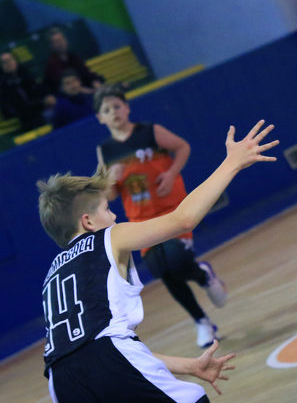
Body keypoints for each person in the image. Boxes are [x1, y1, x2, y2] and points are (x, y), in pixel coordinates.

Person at [36, 120, 284, 403]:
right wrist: (232, 163)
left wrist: (187, 366)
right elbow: (183, 220)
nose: (115, 214)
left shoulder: (52, 275)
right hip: (109, 364)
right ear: (88, 222)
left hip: (64, 386)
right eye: (107, 209)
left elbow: (94, 348)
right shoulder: (110, 237)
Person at [94, 84, 227, 348]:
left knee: (177, 262)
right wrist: (110, 179)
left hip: (172, 209)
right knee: (162, 271)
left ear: (127, 107)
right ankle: (201, 321)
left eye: (117, 106)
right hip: (140, 219)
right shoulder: (105, 150)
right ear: (100, 118)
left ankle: (202, 275)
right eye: (107, 110)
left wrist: (171, 173)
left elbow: (182, 147)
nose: (114, 112)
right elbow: (110, 195)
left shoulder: (149, 131)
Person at [0, 50, 55, 132]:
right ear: (1, 66)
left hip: (41, 110)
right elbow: (16, 107)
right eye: (5, 62)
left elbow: (38, 88)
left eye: (10, 60)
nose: (9, 63)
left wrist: (47, 96)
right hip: (28, 119)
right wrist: (42, 103)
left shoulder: (24, 74)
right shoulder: (2, 86)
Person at [43, 26, 104, 94]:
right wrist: (87, 91)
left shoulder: (73, 56)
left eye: (61, 39)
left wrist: (95, 82)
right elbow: (63, 87)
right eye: (56, 42)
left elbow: (86, 73)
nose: (61, 43)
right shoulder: (51, 65)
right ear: (51, 46)